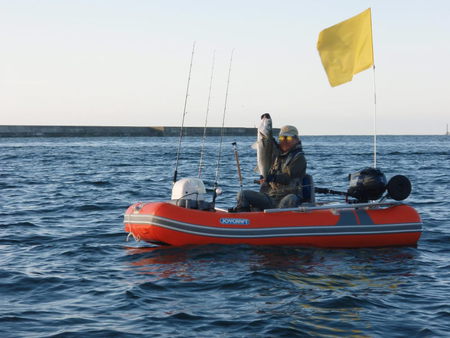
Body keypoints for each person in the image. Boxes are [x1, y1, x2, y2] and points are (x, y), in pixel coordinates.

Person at [233, 124, 307, 212]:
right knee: (242, 194)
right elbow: (268, 148)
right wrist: (264, 179)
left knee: (290, 199)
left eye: (289, 138)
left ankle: (278, 221)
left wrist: (270, 177)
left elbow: (287, 178)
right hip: (270, 197)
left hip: (288, 196)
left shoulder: (299, 158)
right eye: (282, 138)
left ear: (296, 139)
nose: (285, 141)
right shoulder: (275, 156)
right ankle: (245, 220)